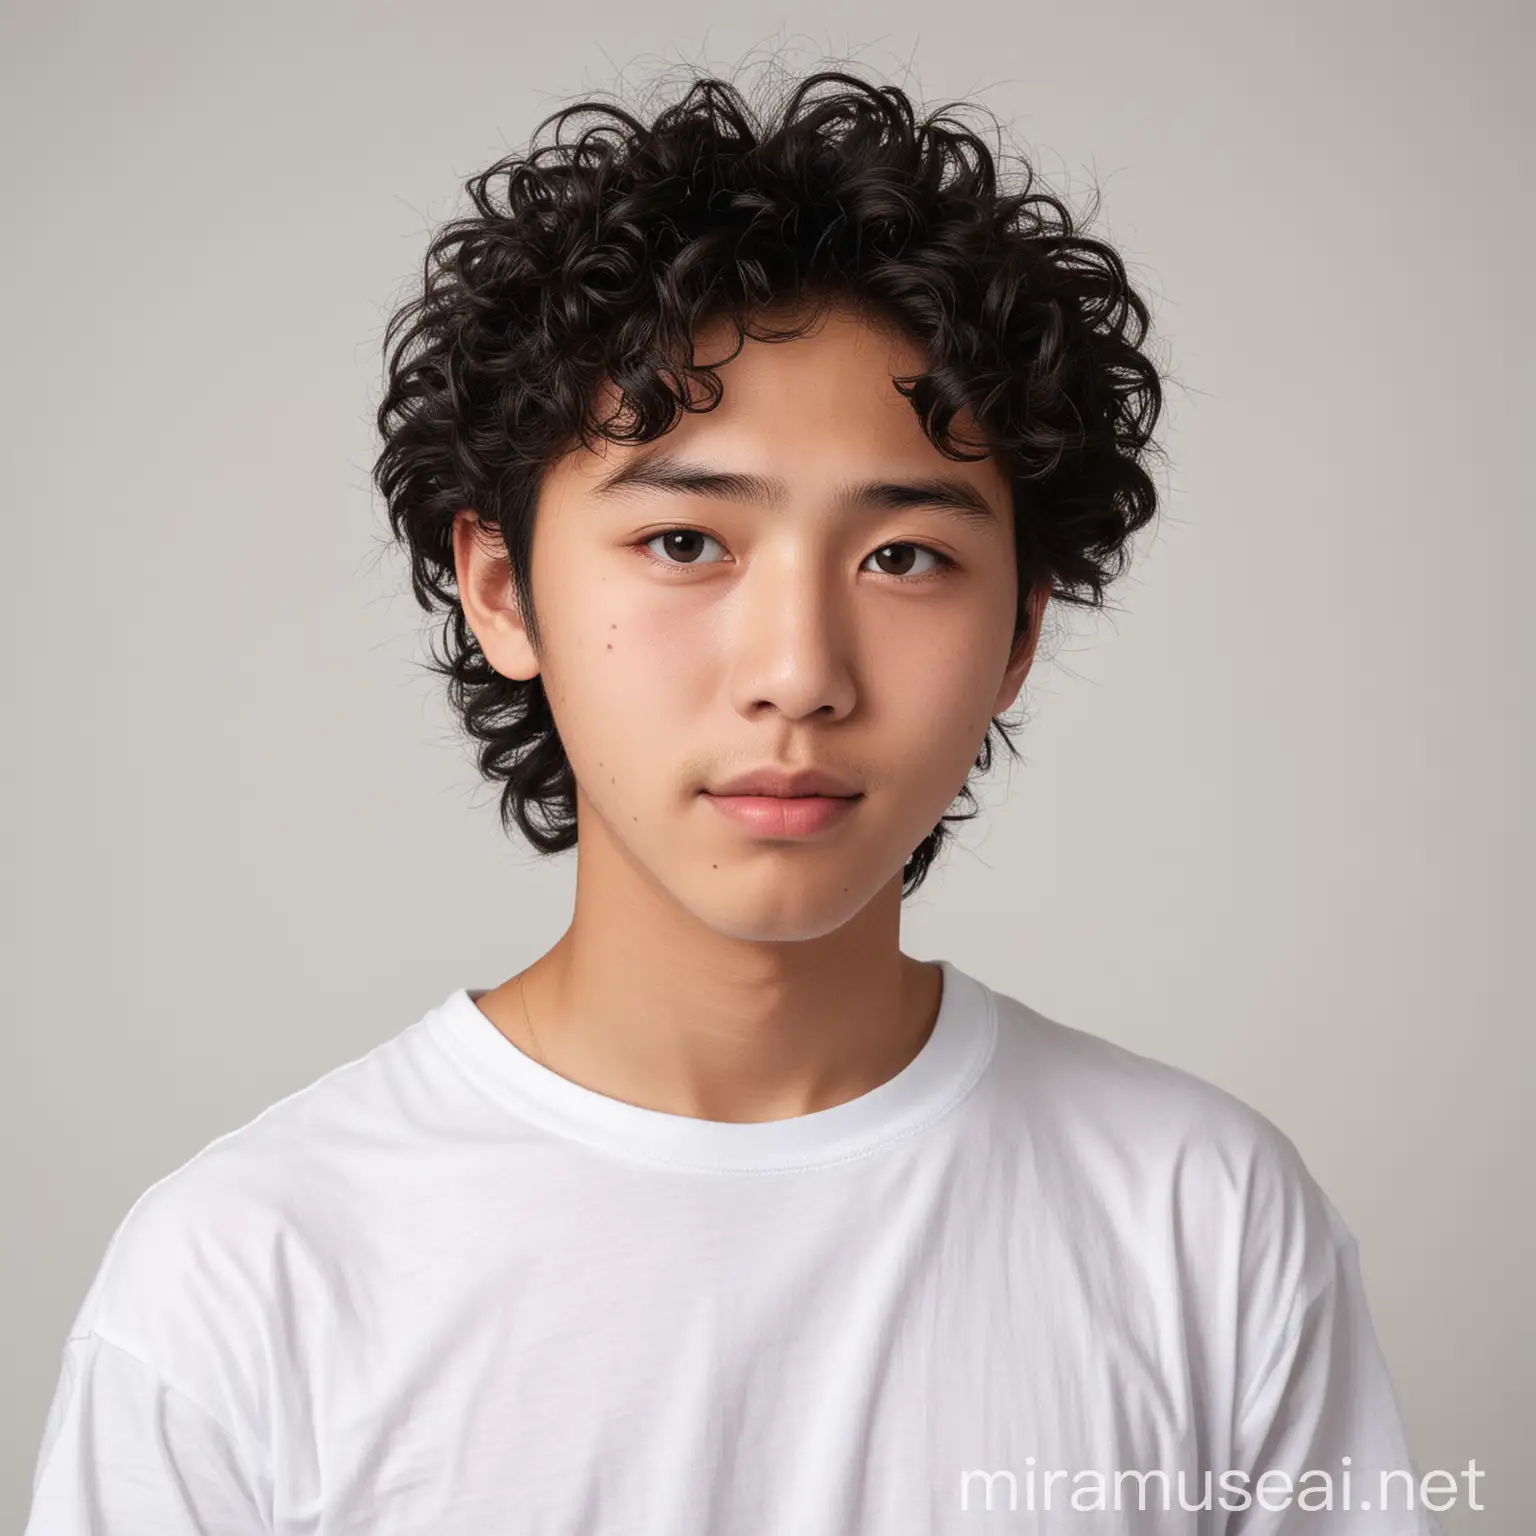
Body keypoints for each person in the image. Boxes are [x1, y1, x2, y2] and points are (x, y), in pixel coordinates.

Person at [25, 64, 1444, 1534]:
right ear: (502, 589)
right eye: (689, 541)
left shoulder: (1201, 1227)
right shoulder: (249, 1277)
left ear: (1020, 633)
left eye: (903, 559)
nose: (798, 674)